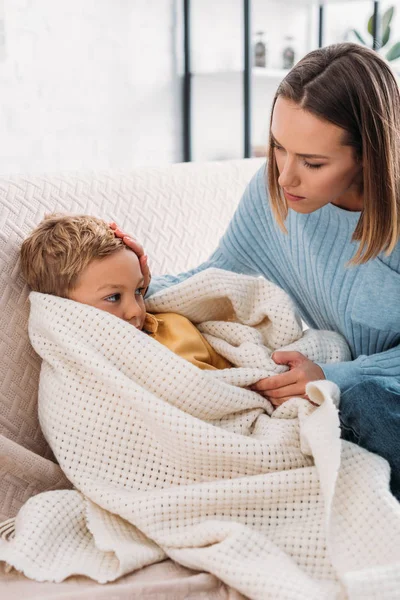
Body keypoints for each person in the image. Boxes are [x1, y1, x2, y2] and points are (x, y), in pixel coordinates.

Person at [113, 42, 400, 500]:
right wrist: (133, 282)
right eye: (279, 148)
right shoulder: (274, 194)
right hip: (347, 398)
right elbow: (213, 279)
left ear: (368, 155)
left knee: (363, 404)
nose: (286, 176)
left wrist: (331, 375)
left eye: (313, 162)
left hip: (374, 401)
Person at [19, 214, 232, 372]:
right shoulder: (84, 368)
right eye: (113, 297)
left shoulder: (177, 327)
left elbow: (239, 377)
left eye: (139, 290)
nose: (136, 310)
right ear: (66, 309)